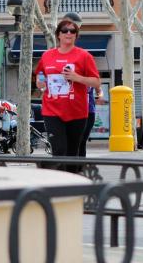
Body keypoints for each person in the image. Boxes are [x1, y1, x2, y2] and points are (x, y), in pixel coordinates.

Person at [35, 19, 100, 172]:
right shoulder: (47, 56)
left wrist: (77, 77)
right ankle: (60, 186)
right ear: (58, 35)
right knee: (59, 150)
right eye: (65, 30)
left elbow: (96, 82)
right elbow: (40, 73)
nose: (69, 33)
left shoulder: (84, 56)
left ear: (76, 35)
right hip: (52, 110)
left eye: (73, 31)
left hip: (77, 112)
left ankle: (73, 186)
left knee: (72, 152)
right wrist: (40, 82)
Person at [78, 87, 103, 159]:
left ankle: (80, 165)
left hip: (89, 112)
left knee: (83, 139)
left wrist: (100, 96)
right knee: (76, 140)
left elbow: (99, 89)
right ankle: (74, 164)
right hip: (76, 111)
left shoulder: (91, 78)